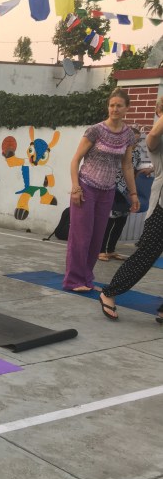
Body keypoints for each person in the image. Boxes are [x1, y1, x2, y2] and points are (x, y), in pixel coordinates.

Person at [63, 88, 140, 292]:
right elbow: (75, 160)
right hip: (86, 188)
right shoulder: (95, 130)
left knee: (97, 239)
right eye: (112, 105)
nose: (114, 109)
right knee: (81, 237)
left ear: (127, 108)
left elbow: (127, 166)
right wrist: (75, 188)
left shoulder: (128, 135)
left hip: (108, 191)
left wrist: (133, 194)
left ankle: (87, 279)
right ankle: (73, 281)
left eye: (119, 106)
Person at [99, 96, 163, 323]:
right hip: (161, 208)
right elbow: (152, 137)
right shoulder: (157, 139)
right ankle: (109, 292)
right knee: (146, 254)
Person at [98, 126, 151, 261]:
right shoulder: (117, 150)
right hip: (114, 188)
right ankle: (101, 250)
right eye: (133, 140)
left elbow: (135, 169)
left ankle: (111, 250)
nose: (135, 143)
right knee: (109, 220)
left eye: (137, 141)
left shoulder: (136, 152)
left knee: (121, 221)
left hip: (127, 190)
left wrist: (144, 171)